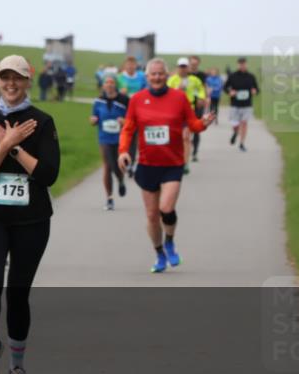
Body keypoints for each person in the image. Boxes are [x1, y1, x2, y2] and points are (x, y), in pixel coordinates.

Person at [0, 55, 60, 374]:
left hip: (32, 220)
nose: (11, 84)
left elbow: (48, 175)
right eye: (5, 77)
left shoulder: (42, 121)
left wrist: (15, 147)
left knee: (18, 295)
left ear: (27, 80)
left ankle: (17, 369)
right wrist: (4, 144)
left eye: (17, 78)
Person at [118, 58, 215, 273]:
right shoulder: (137, 100)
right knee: (152, 215)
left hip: (172, 163)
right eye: (153, 74)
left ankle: (170, 240)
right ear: (147, 76)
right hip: (147, 163)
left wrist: (203, 124)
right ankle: (159, 252)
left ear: (166, 75)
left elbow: (193, 125)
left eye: (161, 73)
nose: (157, 77)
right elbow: (128, 128)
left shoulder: (179, 98)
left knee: (166, 209)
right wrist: (123, 151)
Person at [90, 73, 129, 210]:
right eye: (107, 82)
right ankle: (109, 198)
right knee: (107, 165)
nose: (109, 84)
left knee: (118, 165)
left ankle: (121, 180)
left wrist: (124, 121)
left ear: (115, 84)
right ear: (103, 85)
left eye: (112, 82)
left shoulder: (124, 99)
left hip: (121, 138)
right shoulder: (98, 101)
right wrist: (93, 120)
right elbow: (93, 117)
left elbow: (131, 119)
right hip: (104, 137)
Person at [166, 57, 206, 171]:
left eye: (185, 67)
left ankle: (185, 163)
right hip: (174, 112)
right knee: (173, 138)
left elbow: (201, 90)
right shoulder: (172, 79)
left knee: (186, 137)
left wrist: (201, 98)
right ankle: (174, 160)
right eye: (181, 67)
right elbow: (166, 93)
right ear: (178, 67)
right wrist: (177, 89)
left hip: (189, 110)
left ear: (188, 68)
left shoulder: (194, 80)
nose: (183, 69)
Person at [223, 57, 259, 152]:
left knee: (244, 123)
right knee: (235, 124)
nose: (242, 65)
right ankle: (235, 132)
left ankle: (242, 143)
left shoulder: (251, 76)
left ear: (246, 64)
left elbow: (257, 89)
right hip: (235, 103)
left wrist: (255, 91)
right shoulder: (233, 76)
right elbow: (225, 87)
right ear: (238, 65)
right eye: (240, 64)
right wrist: (230, 92)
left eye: (244, 64)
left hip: (247, 104)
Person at [188, 56, 209, 162]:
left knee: (196, 128)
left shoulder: (201, 75)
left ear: (198, 64)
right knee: (186, 130)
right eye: (192, 64)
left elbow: (205, 87)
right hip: (186, 104)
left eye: (195, 64)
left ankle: (195, 152)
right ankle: (186, 150)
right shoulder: (185, 74)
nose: (194, 65)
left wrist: (206, 98)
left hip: (198, 105)